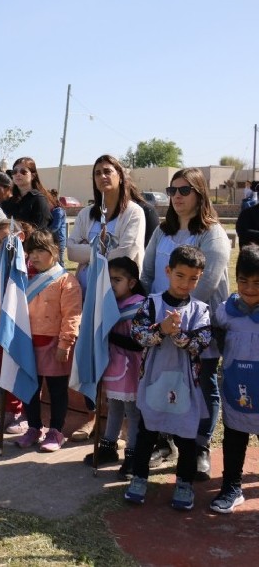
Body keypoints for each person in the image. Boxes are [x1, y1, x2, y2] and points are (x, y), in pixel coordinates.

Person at [140, 168, 230, 480]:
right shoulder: (161, 231)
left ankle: (201, 446)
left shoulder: (213, 234)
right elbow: (148, 273)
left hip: (197, 327)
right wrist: (155, 320)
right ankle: (165, 443)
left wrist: (177, 322)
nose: (176, 196)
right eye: (172, 190)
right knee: (163, 381)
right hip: (160, 328)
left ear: (199, 194)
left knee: (203, 384)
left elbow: (204, 287)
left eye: (184, 190)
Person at [125, 245, 212, 511]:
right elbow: (138, 335)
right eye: (180, 276)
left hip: (186, 383)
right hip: (154, 380)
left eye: (193, 278)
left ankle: (184, 482)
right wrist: (161, 330)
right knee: (147, 430)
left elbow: (203, 342)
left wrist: (178, 335)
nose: (186, 283)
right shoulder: (152, 303)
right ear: (168, 271)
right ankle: (139, 477)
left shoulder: (200, 310)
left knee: (187, 435)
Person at [15, 230, 82, 452]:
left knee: (57, 390)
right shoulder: (25, 278)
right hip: (28, 343)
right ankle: (34, 427)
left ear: (53, 251)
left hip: (55, 345)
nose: (34, 256)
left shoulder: (66, 281)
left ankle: (56, 431)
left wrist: (65, 343)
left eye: (40, 250)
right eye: (31, 251)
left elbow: (72, 316)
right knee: (30, 389)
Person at [82, 257, 146, 479]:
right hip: (113, 366)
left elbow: (138, 342)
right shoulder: (109, 305)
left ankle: (133, 454)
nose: (111, 284)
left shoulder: (139, 306)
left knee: (133, 412)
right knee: (115, 408)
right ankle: (108, 447)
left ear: (131, 282)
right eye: (108, 280)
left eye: (117, 279)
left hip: (130, 367)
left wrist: (109, 335)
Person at [209, 244, 259, 513]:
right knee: (234, 440)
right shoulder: (226, 311)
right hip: (235, 390)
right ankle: (231, 487)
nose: (249, 288)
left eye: (257, 282)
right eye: (243, 281)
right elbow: (214, 332)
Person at [67, 155, 146, 294]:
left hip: (118, 296)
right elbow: (72, 252)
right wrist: (106, 250)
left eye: (107, 171)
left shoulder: (134, 212)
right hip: (85, 293)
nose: (102, 176)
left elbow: (127, 253)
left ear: (120, 176)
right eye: (97, 173)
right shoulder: (86, 214)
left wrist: (88, 250)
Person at [0, 219, 33, 431]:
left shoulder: (29, 264)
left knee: (19, 364)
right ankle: (8, 409)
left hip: (20, 323)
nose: (1, 245)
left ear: (20, 237)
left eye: (6, 239)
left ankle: (23, 412)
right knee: (1, 367)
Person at [9, 157, 53, 230]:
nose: (18, 174)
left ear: (33, 176)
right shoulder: (10, 201)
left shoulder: (39, 199)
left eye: (23, 172)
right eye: (15, 172)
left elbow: (40, 230)